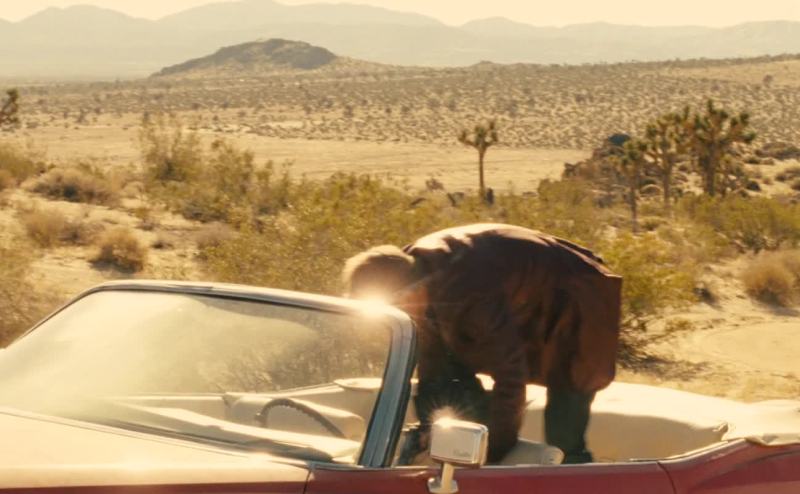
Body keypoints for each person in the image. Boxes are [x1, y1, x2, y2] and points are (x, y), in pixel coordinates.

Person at [342, 223, 622, 464]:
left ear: (406, 294)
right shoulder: (409, 271)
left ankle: (576, 475)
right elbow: (431, 365)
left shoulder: (469, 292)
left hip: (579, 297)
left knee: (564, 424)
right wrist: (433, 430)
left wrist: (493, 451)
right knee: (444, 378)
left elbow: (510, 374)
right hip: (524, 298)